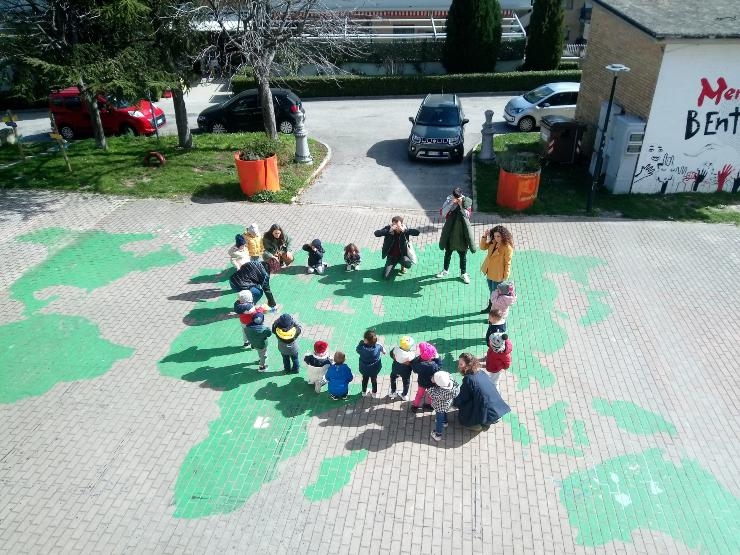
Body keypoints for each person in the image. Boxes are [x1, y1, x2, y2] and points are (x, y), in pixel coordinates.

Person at [453, 352, 511, 431]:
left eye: (461, 364)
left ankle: (478, 425)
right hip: (496, 408)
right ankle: (490, 419)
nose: (458, 366)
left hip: (487, 411)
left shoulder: (468, 379)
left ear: (467, 366)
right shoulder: (481, 372)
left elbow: (463, 397)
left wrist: (454, 402)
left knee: (463, 419)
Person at [436, 187, 477, 284]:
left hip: (461, 234)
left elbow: (467, 215)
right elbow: (443, 213)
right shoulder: (449, 200)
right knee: (447, 254)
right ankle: (445, 270)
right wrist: (451, 203)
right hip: (450, 233)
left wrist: (460, 205)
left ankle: (463, 273)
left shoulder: (466, 202)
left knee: (463, 256)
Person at [479, 225, 514, 313]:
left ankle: (496, 313)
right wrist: (485, 236)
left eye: (498, 236)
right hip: (489, 271)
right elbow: (482, 247)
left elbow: (508, 262)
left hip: (498, 275)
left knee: (497, 296)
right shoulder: (493, 242)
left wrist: (505, 276)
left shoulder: (507, 248)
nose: (496, 238)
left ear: (503, 235)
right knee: (492, 293)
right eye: (495, 236)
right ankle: (490, 308)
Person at [427, 371, 460, 442]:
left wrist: (431, 383)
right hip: (447, 404)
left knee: (439, 419)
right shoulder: (453, 386)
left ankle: (438, 435)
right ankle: (445, 422)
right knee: (445, 412)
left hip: (439, 407)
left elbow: (430, 392)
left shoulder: (438, 392)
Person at [410, 342, 442, 413]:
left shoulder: (418, 364)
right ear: (431, 357)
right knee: (431, 395)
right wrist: (438, 358)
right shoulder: (434, 365)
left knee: (419, 394)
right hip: (432, 383)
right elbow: (439, 367)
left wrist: (418, 358)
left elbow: (414, 367)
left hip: (422, 382)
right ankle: (429, 405)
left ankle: (415, 406)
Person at [356, 329, 386, 398]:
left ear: (366, 340)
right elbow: (383, 350)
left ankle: (364, 392)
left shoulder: (362, 348)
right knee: (374, 380)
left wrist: (361, 342)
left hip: (364, 369)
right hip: (374, 369)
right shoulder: (377, 347)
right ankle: (374, 393)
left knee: (364, 380)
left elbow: (357, 349)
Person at [388, 335, 416, 401]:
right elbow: (413, 363)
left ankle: (393, 392)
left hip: (396, 368)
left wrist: (396, 359)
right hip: (406, 371)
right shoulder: (411, 354)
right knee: (406, 383)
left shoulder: (396, 349)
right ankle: (404, 395)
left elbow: (391, 354)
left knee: (393, 378)